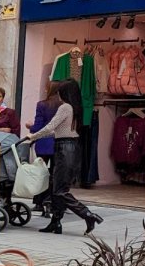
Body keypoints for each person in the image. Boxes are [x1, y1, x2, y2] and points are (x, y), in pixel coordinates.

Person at [26, 79, 105, 235]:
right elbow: (57, 130)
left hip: (64, 148)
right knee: (57, 187)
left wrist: (33, 136)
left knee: (60, 190)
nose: (58, 94)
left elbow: (50, 126)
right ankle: (56, 222)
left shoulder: (65, 107)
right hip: (71, 147)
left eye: (60, 92)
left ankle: (88, 215)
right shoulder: (75, 108)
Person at [27, 81, 62, 216]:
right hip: (57, 142)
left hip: (43, 143)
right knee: (54, 174)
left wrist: (30, 126)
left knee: (40, 173)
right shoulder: (64, 106)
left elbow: (38, 126)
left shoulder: (42, 104)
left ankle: (39, 202)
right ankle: (50, 201)